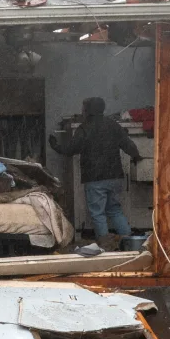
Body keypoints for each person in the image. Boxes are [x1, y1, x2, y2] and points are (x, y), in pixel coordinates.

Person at [50, 96, 142, 247]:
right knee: (115, 210)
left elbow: (70, 149)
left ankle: (105, 246)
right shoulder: (112, 125)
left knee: (98, 213)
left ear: (87, 110)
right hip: (115, 177)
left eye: (83, 108)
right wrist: (137, 157)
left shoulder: (84, 128)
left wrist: (55, 146)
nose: (82, 111)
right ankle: (130, 243)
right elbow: (128, 145)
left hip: (95, 179)